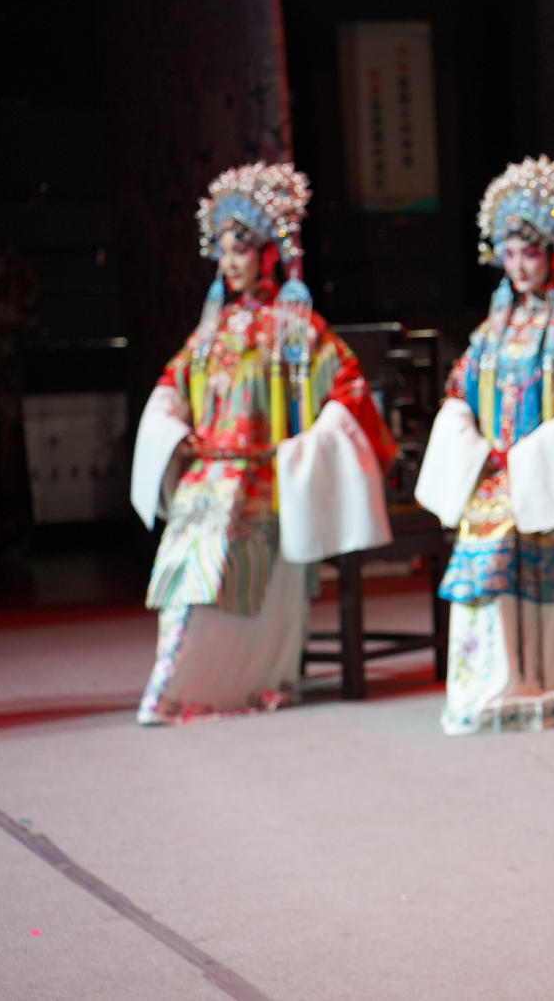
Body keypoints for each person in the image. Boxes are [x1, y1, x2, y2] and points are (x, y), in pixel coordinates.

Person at [130, 163, 396, 725]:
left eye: (242, 250)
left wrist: (306, 449)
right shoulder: (212, 330)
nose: (230, 263)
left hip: (265, 477)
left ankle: (242, 680)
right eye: (223, 252)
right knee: (182, 570)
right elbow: (172, 384)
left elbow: (348, 390)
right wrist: (173, 428)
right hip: (209, 474)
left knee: (231, 569)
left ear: (270, 254)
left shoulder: (296, 328)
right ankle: (178, 682)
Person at [416, 156, 554, 735]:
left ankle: (528, 681)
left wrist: (543, 454)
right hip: (500, 473)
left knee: (500, 529)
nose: (518, 266)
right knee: (482, 528)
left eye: (530, 253)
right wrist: (476, 443)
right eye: (509, 253)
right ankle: (489, 684)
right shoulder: (492, 331)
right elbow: (459, 391)